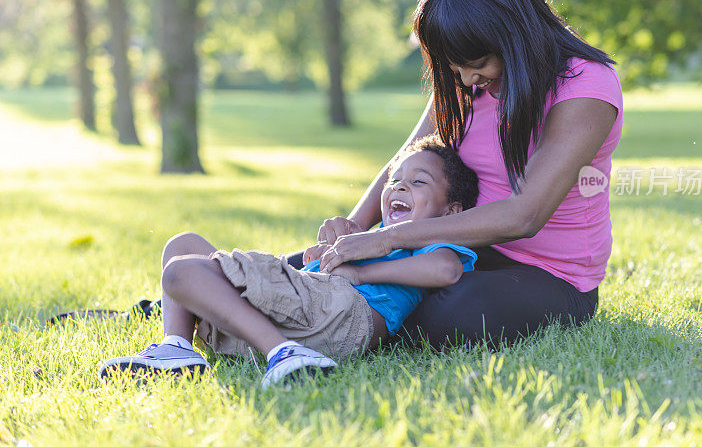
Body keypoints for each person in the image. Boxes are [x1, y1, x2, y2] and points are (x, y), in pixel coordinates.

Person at [307, 0, 624, 348]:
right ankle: (296, 299)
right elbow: (407, 157)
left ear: (515, 36)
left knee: (454, 311)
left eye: (477, 65)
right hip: (458, 247)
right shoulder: (464, 80)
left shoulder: (585, 85)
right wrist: (353, 230)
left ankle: (328, 312)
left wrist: (388, 240)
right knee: (304, 264)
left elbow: (525, 215)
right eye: (455, 69)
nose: (467, 80)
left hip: (551, 275)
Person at [99, 136, 479, 386]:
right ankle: (177, 348)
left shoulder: (430, 242)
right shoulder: (369, 237)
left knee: (182, 272)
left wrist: (362, 271)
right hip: (310, 307)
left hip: (343, 314)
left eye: (418, 182)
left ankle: (284, 353)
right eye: (395, 180)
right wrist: (327, 254)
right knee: (182, 246)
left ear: (451, 212)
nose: (398, 187)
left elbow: (445, 270)